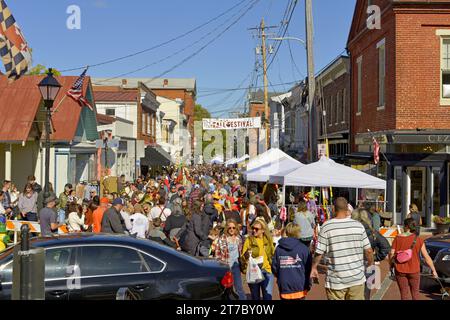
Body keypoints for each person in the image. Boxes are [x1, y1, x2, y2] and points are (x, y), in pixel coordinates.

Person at [311, 197, 374, 300]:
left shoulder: (327, 226)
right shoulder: (358, 226)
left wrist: (314, 267)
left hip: (336, 280)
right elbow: (368, 250)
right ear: (347, 209)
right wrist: (370, 265)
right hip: (356, 278)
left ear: (333, 209)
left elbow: (319, 252)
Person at [389, 218, 438, 300]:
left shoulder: (397, 238)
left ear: (406, 226)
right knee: (415, 293)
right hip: (414, 270)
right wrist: (434, 270)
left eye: (404, 225)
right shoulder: (418, 239)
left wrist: (391, 265)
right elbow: (426, 257)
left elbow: (391, 254)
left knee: (404, 293)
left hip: (400, 269)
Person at [351, 208, 391, 300]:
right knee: (366, 293)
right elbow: (386, 247)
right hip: (369, 264)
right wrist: (375, 257)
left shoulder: (349, 231)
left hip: (352, 265)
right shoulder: (373, 232)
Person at [272, 223, 312, 300]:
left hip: (284, 285)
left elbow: (274, 267)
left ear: (286, 232)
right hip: (300, 286)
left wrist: (280, 276)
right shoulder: (304, 249)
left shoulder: (279, 249)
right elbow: (308, 268)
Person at [240, 219, 275, 300]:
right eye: (253, 228)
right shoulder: (249, 240)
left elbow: (273, 254)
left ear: (263, 230)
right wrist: (247, 255)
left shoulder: (268, 240)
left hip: (267, 271)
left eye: (257, 229)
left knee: (267, 297)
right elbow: (242, 258)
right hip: (254, 272)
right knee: (255, 297)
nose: (254, 230)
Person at [214, 219, 246, 300]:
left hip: (236, 266)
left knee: (239, 288)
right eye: (229, 228)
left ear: (236, 228)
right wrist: (219, 267)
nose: (231, 229)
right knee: (227, 289)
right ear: (227, 229)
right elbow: (217, 254)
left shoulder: (239, 239)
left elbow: (241, 252)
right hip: (226, 267)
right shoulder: (222, 239)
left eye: (233, 228)